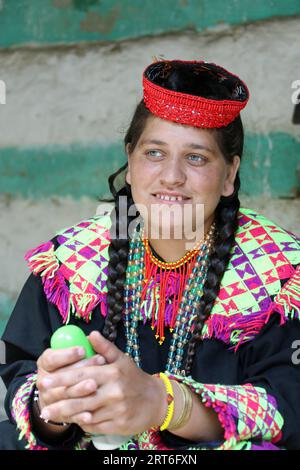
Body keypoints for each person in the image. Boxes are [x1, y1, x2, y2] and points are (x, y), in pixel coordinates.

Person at [0, 59, 300, 451]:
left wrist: (164, 404)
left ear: (229, 175)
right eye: (155, 153)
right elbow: (24, 377)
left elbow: (288, 407)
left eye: (196, 158)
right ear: (131, 162)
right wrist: (56, 408)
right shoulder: (72, 262)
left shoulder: (280, 274)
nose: (171, 176)